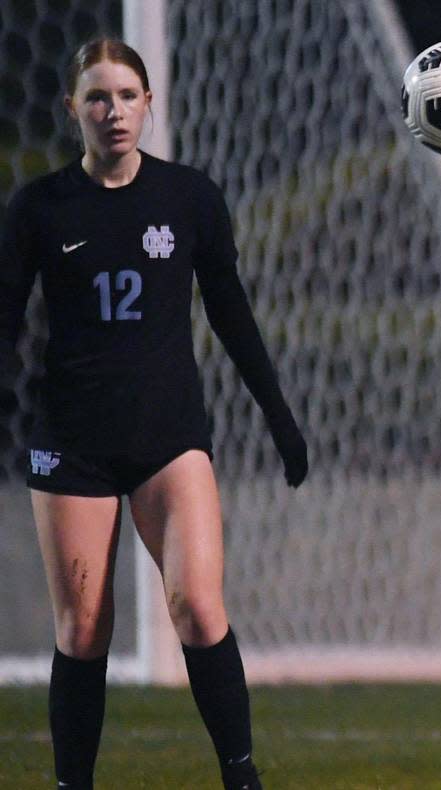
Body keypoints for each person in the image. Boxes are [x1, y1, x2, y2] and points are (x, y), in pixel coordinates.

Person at [0, 38, 307, 790]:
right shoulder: (39, 207)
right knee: (83, 628)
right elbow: (3, 326)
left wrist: (278, 416)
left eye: (127, 96)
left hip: (170, 436)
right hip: (72, 442)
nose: (114, 112)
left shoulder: (190, 198)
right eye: (98, 97)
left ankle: (242, 777)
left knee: (199, 609)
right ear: (72, 108)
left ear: (149, 104)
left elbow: (231, 314)